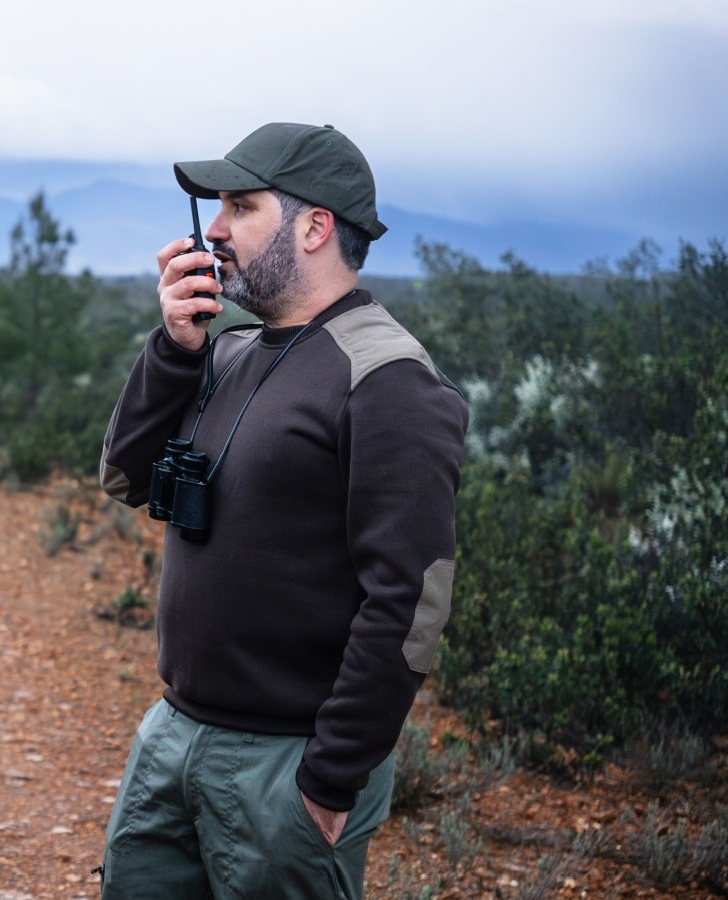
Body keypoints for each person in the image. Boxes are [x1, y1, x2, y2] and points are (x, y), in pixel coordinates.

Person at [96, 123, 469, 898]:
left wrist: (329, 784)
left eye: (240, 206)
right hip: (175, 734)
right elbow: (127, 479)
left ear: (313, 226)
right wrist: (174, 347)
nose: (217, 231)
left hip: (285, 766)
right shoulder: (230, 349)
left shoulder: (387, 376)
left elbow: (409, 597)